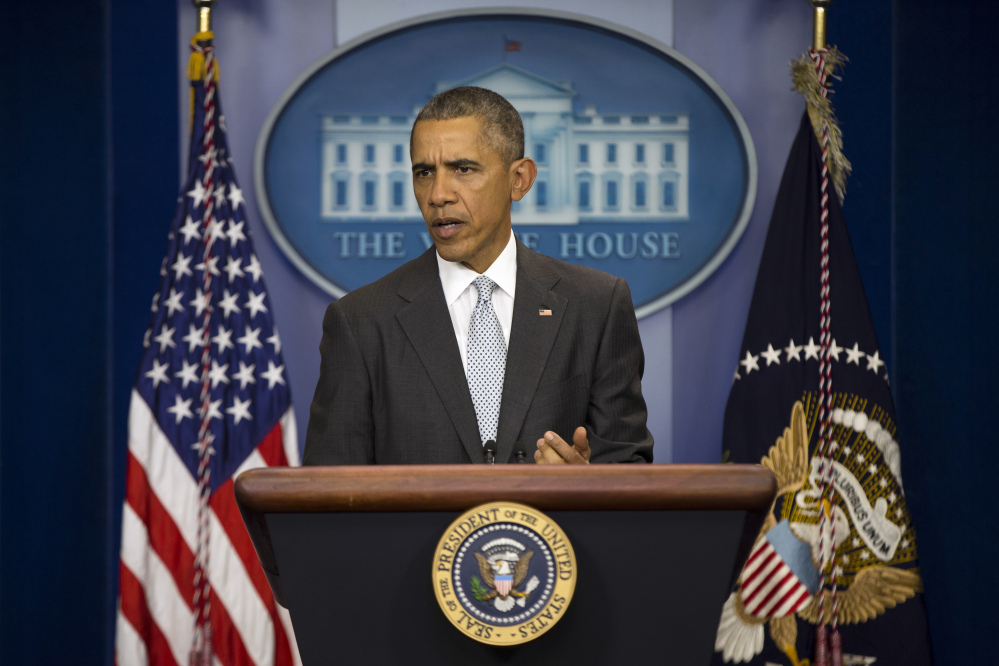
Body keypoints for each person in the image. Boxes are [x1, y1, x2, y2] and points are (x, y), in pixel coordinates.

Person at [303, 86, 652, 465]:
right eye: (424, 172)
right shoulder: (360, 322)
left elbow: (628, 474)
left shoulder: (597, 306)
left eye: (462, 169)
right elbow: (330, 498)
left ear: (519, 179)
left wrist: (590, 488)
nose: (438, 194)